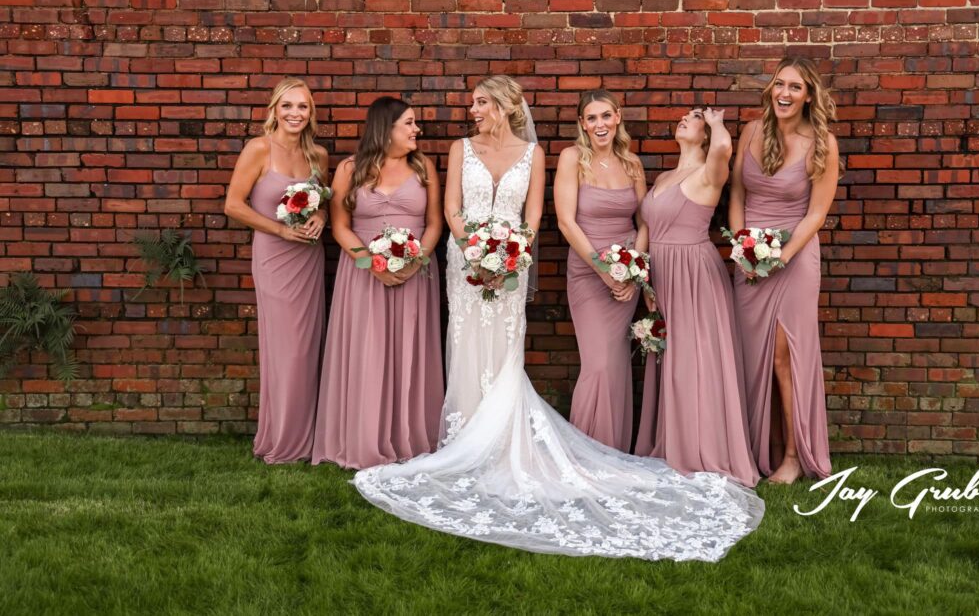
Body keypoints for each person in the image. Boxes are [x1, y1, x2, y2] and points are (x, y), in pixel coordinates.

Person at [353, 77, 764, 562]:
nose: (473, 110)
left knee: (525, 357)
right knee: (467, 347)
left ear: (505, 107)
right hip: (479, 262)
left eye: (481, 102)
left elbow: (617, 223)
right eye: (591, 117)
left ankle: (598, 453)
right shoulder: (477, 150)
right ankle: (467, 442)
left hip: (544, 263)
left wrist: (628, 266)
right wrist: (480, 254)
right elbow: (457, 210)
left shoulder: (619, 164)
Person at [312, 97, 444, 469]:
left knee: (410, 353)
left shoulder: (424, 168)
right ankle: (363, 438)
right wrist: (373, 264)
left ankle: (409, 438)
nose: (416, 130)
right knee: (367, 353)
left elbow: (435, 223)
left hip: (416, 274)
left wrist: (415, 261)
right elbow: (340, 226)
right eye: (409, 123)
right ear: (386, 129)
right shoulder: (350, 169)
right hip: (364, 275)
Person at [634, 108, 760, 488]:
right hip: (664, 275)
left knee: (697, 359)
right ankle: (673, 441)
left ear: (705, 134)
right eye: (684, 117)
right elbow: (646, 227)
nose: (684, 120)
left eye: (693, 118)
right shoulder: (664, 177)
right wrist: (643, 280)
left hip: (694, 275)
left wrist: (716, 119)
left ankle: (703, 446)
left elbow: (724, 145)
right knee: (674, 358)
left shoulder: (710, 170)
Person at [729, 56, 840, 484]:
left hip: (793, 261)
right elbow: (737, 192)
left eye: (795, 87)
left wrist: (779, 257)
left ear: (808, 95)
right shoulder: (753, 132)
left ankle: (794, 456)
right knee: (751, 356)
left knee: (783, 357)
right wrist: (743, 247)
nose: (785, 93)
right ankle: (757, 450)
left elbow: (816, 215)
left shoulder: (823, 143)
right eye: (779, 84)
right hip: (749, 260)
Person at [224, 77, 328, 463]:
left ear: (310, 113)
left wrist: (320, 214)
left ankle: (306, 435)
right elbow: (234, 205)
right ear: (275, 110)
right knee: (285, 350)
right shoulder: (259, 149)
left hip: (308, 260)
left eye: (302, 107)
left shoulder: (318, 155)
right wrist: (281, 229)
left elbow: (325, 199)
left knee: (306, 348)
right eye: (287, 106)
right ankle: (281, 440)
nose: (295, 114)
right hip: (273, 256)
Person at [554, 90, 648, 452]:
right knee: (597, 364)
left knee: (615, 363)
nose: (600, 125)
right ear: (582, 124)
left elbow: (644, 223)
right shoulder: (572, 158)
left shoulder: (632, 164)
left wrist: (632, 271)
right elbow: (566, 222)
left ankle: (614, 450)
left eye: (606, 116)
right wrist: (604, 271)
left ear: (618, 117)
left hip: (627, 277)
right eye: (591, 118)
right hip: (588, 273)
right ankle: (586, 452)